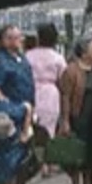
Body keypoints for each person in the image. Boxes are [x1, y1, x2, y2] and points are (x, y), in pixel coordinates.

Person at [57, 34, 92, 184]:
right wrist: (65, 120)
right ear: (83, 52)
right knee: (77, 155)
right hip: (78, 117)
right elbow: (65, 96)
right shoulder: (72, 70)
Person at [27, 22, 67, 173]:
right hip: (50, 93)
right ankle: (49, 162)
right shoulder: (57, 58)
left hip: (32, 92)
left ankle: (38, 162)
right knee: (49, 130)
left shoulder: (29, 56)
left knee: (32, 127)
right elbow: (63, 79)